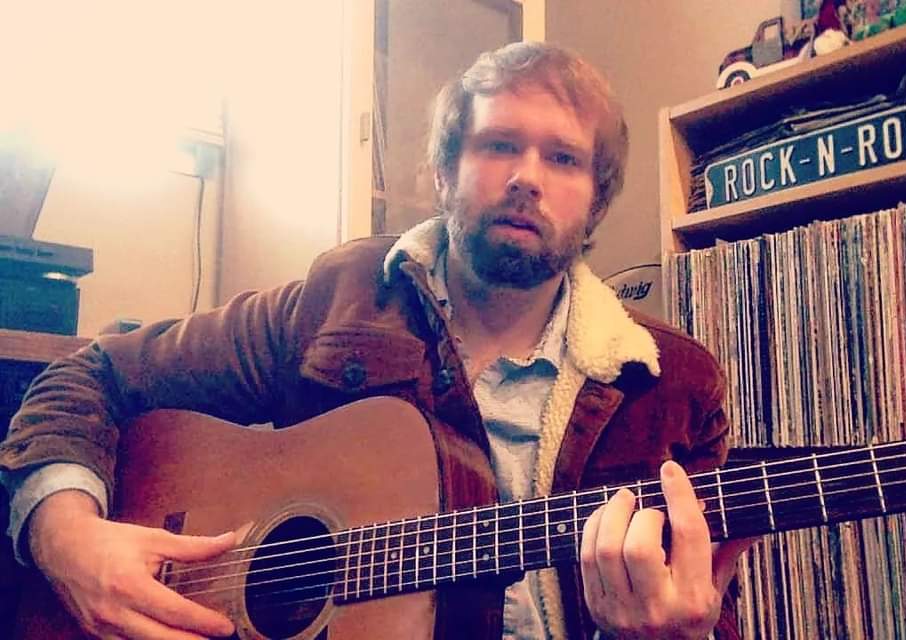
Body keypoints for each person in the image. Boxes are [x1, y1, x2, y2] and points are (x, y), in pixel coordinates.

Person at [0, 42, 752, 639]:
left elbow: (707, 607)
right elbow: (91, 375)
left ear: (596, 202)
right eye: (498, 145)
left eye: (563, 158)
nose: (527, 178)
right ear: (444, 171)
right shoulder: (342, 297)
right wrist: (64, 536)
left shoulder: (673, 385)